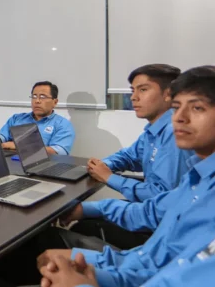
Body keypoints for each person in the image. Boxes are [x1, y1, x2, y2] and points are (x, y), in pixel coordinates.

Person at [3, 66, 215, 287]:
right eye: (178, 107)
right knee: (54, 246)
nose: (179, 118)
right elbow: (153, 254)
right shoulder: (200, 174)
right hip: (140, 279)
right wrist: (101, 175)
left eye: (196, 108)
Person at [72, 64, 192, 248]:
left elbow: (161, 196)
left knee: (82, 228)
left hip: (163, 228)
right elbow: (130, 156)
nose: (133, 97)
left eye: (143, 90)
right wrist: (103, 165)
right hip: (153, 210)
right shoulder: (153, 131)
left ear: (168, 93)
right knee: (87, 220)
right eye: (132, 90)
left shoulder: (174, 132)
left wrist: (109, 177)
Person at [0, 81, 75, 155]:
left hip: (41, 165)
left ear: (55, 102)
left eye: (43, 97)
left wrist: (20, 146)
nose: (37, 101)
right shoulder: (16, 118)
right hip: (10, 161)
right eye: (34, 96)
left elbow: (58, 152)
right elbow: (1, 137)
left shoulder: (63, 124)